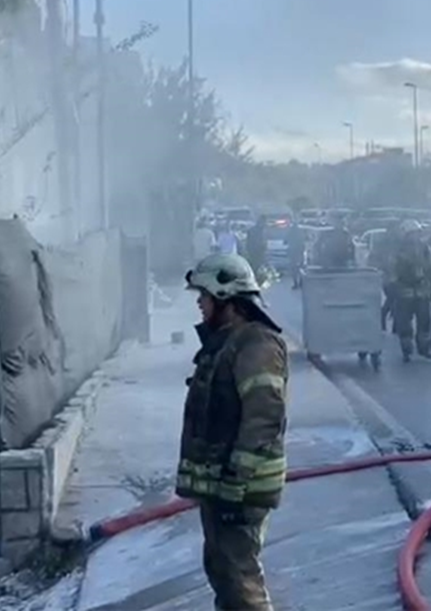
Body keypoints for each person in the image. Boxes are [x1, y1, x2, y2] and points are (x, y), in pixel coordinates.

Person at [178, 253, 289, 611]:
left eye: (205, 295)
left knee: (241, 582)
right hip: (224, 486)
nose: (199, 302)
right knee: (223, 572)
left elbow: (263, 418)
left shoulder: (256, 344)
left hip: (242, 488)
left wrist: (235, 483)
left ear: (226, 297)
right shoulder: (228, 341)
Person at [392, 220, 431, 361]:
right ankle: (406, 350)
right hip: (404, 292)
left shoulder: (425, 249)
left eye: (417, 233)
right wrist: (394, 285)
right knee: (404, 323)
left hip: (422, 291)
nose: (415, 236)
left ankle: (424, 349)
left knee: (425, 322)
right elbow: (392, 269)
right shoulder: (398, 251)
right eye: (412, 234)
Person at [285, 223, 306, 289]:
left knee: (294, 268)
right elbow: (305, 239)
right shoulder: (301, 231)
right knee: (301, 267)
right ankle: (301, 282)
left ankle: (296, 283)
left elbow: (285, 241)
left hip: (293, 252)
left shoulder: (290, 232)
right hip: (299, 252)